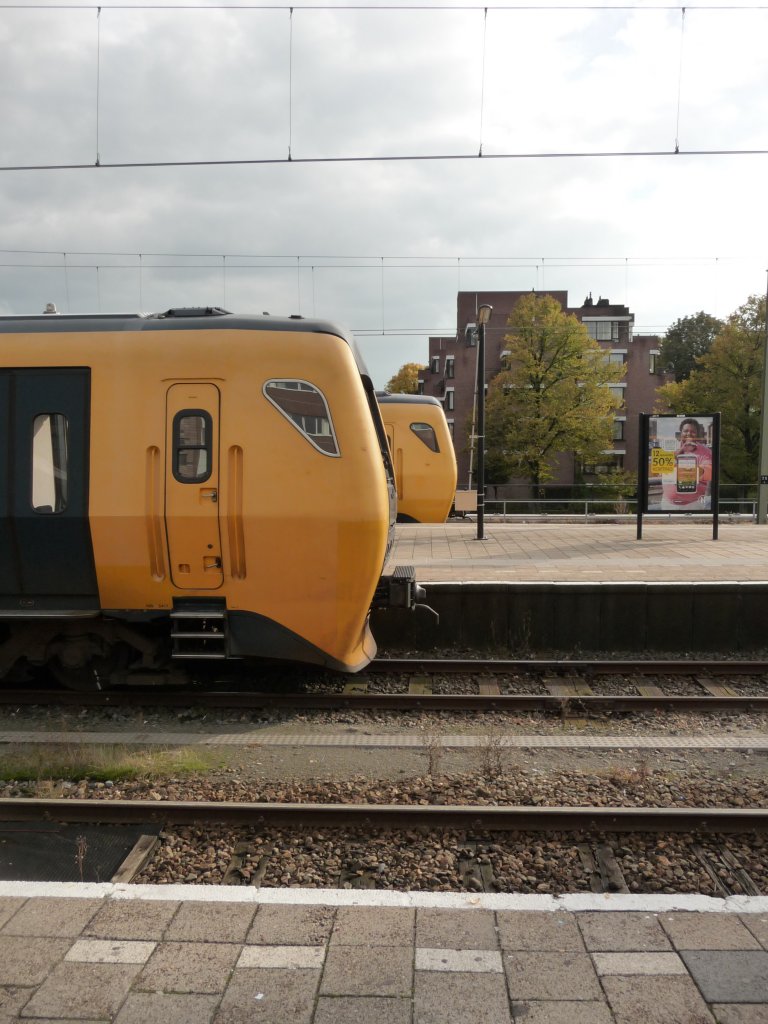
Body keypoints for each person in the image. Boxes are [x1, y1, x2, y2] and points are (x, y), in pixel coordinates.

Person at [661, 417, 712, 509]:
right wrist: (677, 455)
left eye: (693, 431)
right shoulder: (670, 448)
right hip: (668, 504)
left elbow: (707, 473)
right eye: (685, 431)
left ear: (697, 434)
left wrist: (682, 469)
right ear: (681, 433)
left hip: (694, 504)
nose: (689, 433)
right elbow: (662, 470)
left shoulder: (706, 451)